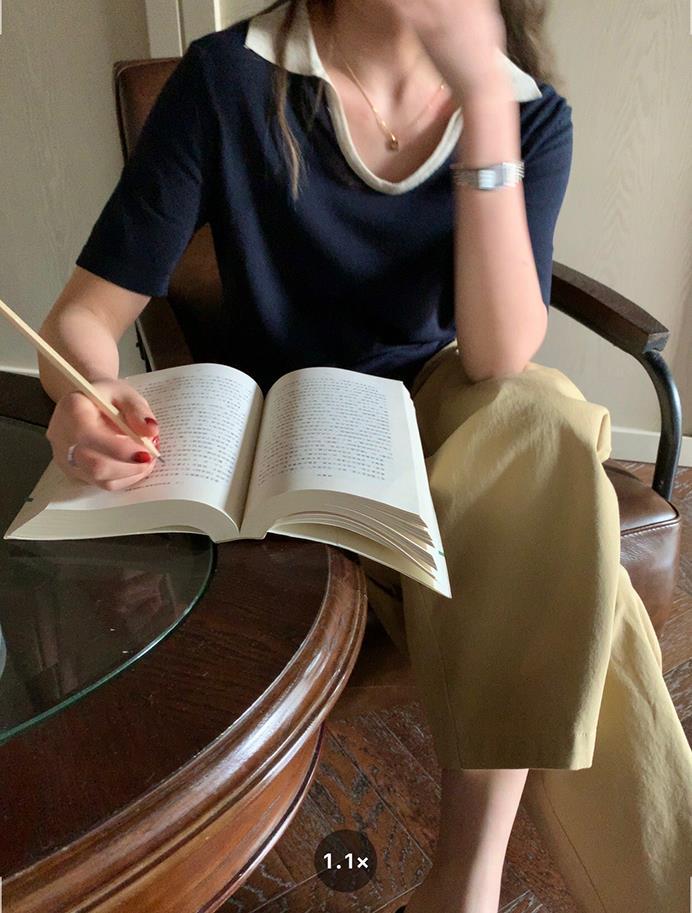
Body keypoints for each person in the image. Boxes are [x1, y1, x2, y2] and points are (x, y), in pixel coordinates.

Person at [37, 1, 692, 911]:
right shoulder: (230, 80)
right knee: (571, 557)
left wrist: (484, 109)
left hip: (446, 420)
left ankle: (466, 884)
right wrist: (82, 392)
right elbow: (85, 314)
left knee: (535, 412)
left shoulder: (525, 112)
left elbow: (498, 353)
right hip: (285, 438)